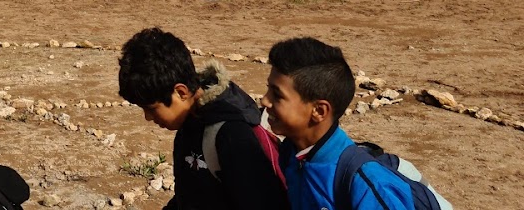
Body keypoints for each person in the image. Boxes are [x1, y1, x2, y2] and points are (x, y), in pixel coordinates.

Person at [118, 28, 286, 210]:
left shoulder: (232, 134)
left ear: (181, 92)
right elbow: (192, 195)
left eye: (151, 109)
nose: (148, 117)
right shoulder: (190, 120)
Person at [264, 37, 429, 210]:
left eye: (277, 95)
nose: (265, 101)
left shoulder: (367, 184)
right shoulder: (291, 152)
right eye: (268, 88)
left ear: (319, 111)